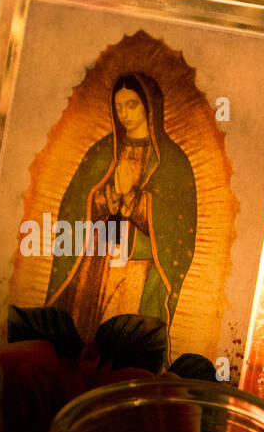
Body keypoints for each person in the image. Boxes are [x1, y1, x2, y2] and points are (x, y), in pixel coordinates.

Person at [46, 72, 196, 349]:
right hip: (95, 262)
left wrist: (133, 197)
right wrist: (109, 195)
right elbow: (74, 205)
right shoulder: (102, 151)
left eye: (132, 105)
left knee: (123, 345)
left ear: (149, 106)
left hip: (137, 267)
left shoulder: (172, 161)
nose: (124, 114)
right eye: (118, 107)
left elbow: (177, 228)